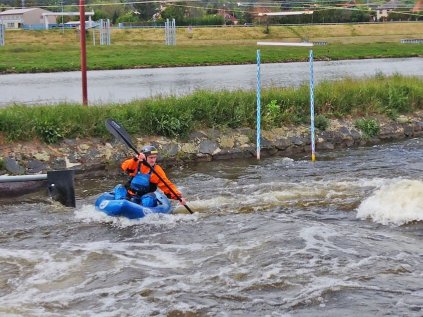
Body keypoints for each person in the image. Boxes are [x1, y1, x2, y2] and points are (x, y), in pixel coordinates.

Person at [121, 145, 187, 207]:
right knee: (119, 188)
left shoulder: (157, 170)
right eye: (151, 158)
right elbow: (125, 167)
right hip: (131, 194)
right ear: (145, 157)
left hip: (146, 196)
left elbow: (166, 184)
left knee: (148, 200)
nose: (153, 160)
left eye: (154, 157)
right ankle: (121, 203)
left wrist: (179, 197)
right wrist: (135, 158)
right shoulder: (136, 163)